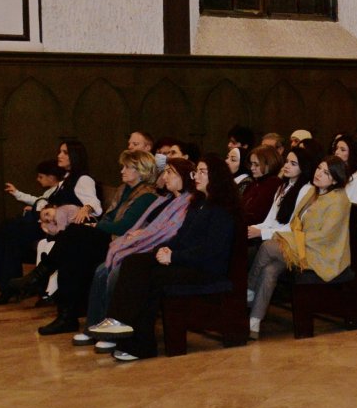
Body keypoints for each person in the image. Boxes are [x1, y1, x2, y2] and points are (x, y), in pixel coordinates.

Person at [90, 155, 243, 361]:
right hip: (187, 261)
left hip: (205, 269)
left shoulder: (222, 208)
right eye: (196, 171)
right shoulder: (199, 203)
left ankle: (136, 342)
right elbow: (181, 238)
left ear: (216, 176)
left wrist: (174, 257)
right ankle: (122, 326)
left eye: (202, 172)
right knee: (134, 261)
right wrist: (163, 250)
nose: (196, 176)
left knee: (151, 277)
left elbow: (210, 251)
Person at [26, 149, 161, 334]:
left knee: (74, 235)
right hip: (106, 236)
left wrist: (95, 227)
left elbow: (122, 227)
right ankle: (65, 315)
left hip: (120, 242)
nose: (122, 170)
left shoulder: (146, 196)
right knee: (72, 254)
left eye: (127, 167)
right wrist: (97, 226)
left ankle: (41, 276)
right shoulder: (124, 189)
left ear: (141, 171)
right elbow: (108, 217)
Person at [73, 157, 200, 348]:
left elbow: (170, 233)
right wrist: (141, 233)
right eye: (165, 171)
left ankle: (113, 333)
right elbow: (150, 223)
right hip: (142, 243)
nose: (164, 176)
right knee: (101, 270)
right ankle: (93, 327)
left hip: (156, 249)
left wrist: (144, 234)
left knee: (118, 271)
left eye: (169, 172)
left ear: (184, 176)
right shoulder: (165, 200)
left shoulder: (186, 203)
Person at [0, 139, 101, 296]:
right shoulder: (67, 178)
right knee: (10, 229)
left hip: (58, 227)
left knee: (11, 228)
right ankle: (3, 283)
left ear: (75, 156)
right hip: (48, 221)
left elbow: (95, 204)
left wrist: (86, 207)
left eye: (64, 152)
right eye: (60, 151)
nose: (59, 155)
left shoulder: (83, 179)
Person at [247, 156, 353, 334]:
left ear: (335, 179)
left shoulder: (339, 200)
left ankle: (249, 290)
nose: (319, 173)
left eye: (326, 172)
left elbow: (324, 236)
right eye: (319, 168)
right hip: (302, 245)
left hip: (321, 253)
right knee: (270, 269)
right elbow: (296, 220)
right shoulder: (314, 191)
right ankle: (254, 321)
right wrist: (292, 237)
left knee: (267, 247)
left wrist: (289, 238)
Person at [248, 149, 315, 244]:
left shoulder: (307, 190)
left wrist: (261, 232)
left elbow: (293, 226)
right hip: (273, 233)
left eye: (293, 164)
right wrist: (254, 228)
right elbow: (270, 220)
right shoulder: (283, 186)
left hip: (289, 239)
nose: (286, 166)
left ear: (303, 167)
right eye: (287, 161)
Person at [241, 144, 283, 228]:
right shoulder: (255, 183)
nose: (252, 168)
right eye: (252, 164)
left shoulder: (273, 185)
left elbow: (258, 216)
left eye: (256, 165)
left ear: (270, 164)